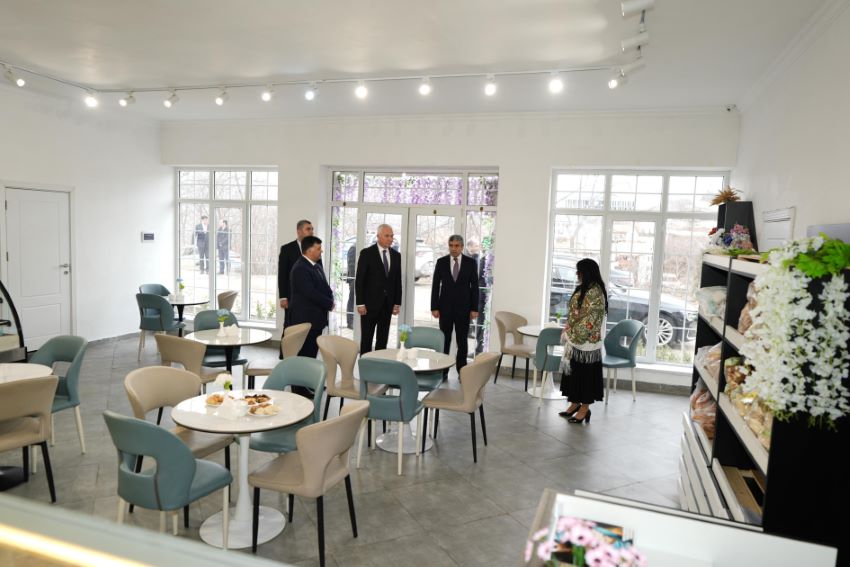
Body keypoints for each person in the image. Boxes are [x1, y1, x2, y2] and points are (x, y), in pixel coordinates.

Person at [559, 258, 608, 424]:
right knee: (574, 376)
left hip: (587, 344)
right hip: (575, 342)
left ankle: (584, 408)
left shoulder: (596, 292)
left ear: (586, 272)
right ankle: (574, 404)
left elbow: (590, 320)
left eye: (578, 271)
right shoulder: (583, 288)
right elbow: (574, 311)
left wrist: (570, 333)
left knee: (585, 378)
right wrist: (568, 327)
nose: (576, 274)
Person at [431, 235, 479, 374]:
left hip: (464, 309)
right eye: (451, 245)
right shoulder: (441, 262)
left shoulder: (470, 263)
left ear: (462, 247)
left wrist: (474, 308)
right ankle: (442, 371)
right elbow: (435, 286)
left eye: (456, 246)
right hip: (444, 308)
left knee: (462, 341)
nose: (453, 248)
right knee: (444, 340)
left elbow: (475, 287)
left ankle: (462, 371)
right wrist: (434, 307)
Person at [355, 223, 402, 354]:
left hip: (387, 305)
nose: (390, 239)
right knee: (367, 339)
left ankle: (380, 364)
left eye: (392, 236)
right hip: (369, 306)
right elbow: (360, 280)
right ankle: (365, 363)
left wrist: (397, 302)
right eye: (387, 236)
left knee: (383, 339)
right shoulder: (366, 253)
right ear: (378, 236)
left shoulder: (396, 255)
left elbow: (397, 281)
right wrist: (360, 303)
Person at [289, 236, 334, 360]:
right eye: (318, 248)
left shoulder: (316, 265)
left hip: (316, 320)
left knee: (312, 353)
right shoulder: (300, 268)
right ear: (309, 250)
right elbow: (310, 293)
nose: (321, 251)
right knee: (305, 356)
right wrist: (328, 303)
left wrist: (331, 298)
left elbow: (324, 286)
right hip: (306, 320)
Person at [278, 219, 315, 329]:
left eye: (312, 229)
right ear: (299, 231)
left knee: (307, 329)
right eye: (308, 229)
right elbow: (282, 274)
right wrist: (283, 297)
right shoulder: (287, 249)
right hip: (292, 298)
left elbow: (319, 273)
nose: (311, 232)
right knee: (290, 328)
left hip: (310, 298)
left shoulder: (315, 249)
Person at [345, 243, 356, 328]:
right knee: (352, 300)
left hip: (359, 279)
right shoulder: (353, 248)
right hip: (354, 279)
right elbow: (351, 265)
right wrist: (354, 280)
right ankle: (350, 322)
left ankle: (355, 321)